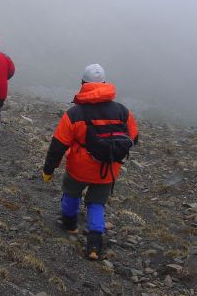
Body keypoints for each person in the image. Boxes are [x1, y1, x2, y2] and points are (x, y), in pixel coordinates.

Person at [41, 64, 139, 260]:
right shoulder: (122, 111)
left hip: (79, 167)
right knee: (97, 204)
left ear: (83, 84)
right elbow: (133, 139)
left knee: (71, 194)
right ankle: (94, 245)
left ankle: (70, 225)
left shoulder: (75, 114)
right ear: (104, 83)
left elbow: (58, 145)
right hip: (108, 169)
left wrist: (48, 169)